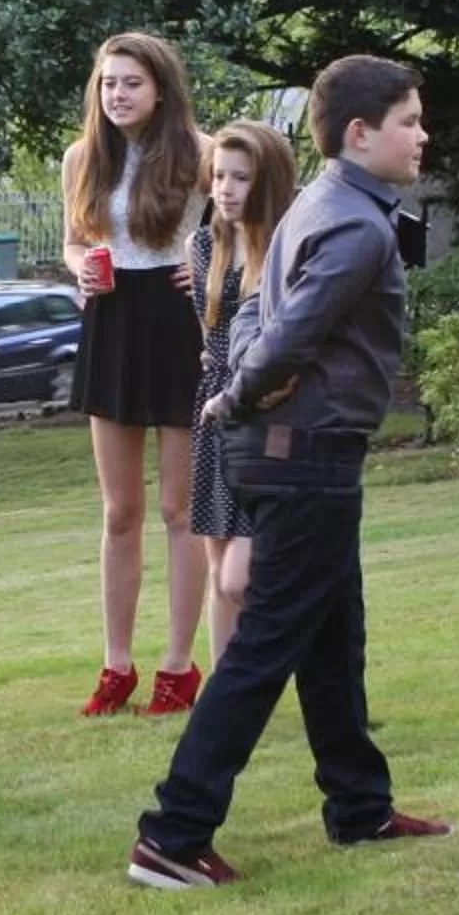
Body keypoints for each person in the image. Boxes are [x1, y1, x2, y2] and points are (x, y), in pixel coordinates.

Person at [128, 55, 453, 889]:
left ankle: (360, 806)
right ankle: (173, 835)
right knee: (265, 647)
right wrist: (234, 396)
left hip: (301, 453)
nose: (422, 136)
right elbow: (288, 333)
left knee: (335, 639)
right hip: (302, 454)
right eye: (410, 122)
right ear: (360, 133)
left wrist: (236, 394)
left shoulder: (321, 203)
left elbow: (249, 315)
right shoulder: (355, 226)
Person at [62, 30, 214, 717]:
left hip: (180, 324)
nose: (117, 94)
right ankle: (116, 664)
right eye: (108, 83)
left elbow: (250, 226)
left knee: (180, 510)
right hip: (112, 320)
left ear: (160, 89)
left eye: (131, 83)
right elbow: (73, 242)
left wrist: (206, 258)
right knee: (119, 512)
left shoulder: (202, 153)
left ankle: (178, 667)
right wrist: (81, 267)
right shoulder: (81, 158)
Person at [187, 119, 299, 664]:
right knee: (218, 571)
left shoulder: (288, 249)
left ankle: (271, 671)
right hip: (215, 410)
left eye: (240, 178)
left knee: (242, 576)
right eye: (218, 176)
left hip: (270, 413)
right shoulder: (202, 246)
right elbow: (207, 335)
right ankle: (225, 694)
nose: (225, 189)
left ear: (267, 182)